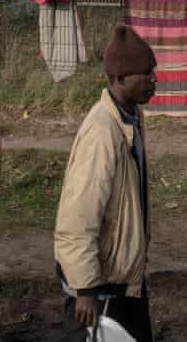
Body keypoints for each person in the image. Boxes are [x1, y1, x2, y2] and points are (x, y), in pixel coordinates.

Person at [55, 24, 158, 342]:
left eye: (153, 72)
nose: (154, 80)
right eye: (146, 74)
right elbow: (77, 217)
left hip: (124, 281)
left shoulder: (129, 118)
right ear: (119, 78)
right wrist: (85, 288)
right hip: (101, 290)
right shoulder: (102, 133)